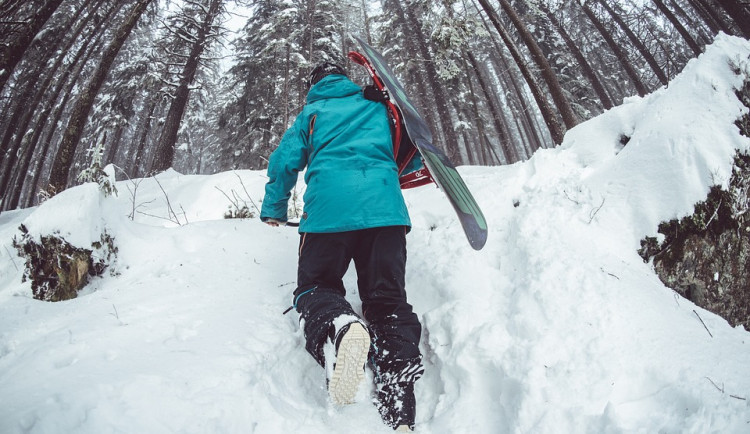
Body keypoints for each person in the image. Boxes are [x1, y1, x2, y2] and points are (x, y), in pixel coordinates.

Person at [260, 62, 424, 432]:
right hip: (385, 212)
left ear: (313, 84)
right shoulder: (378, 103)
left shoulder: (312, 113)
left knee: (315, 286)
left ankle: (339, 328)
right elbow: (409, 152)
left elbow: (285, 161)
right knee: (387, 299)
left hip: (328, 215)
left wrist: (273, 208)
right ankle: (398, 388)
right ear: (344, 79)